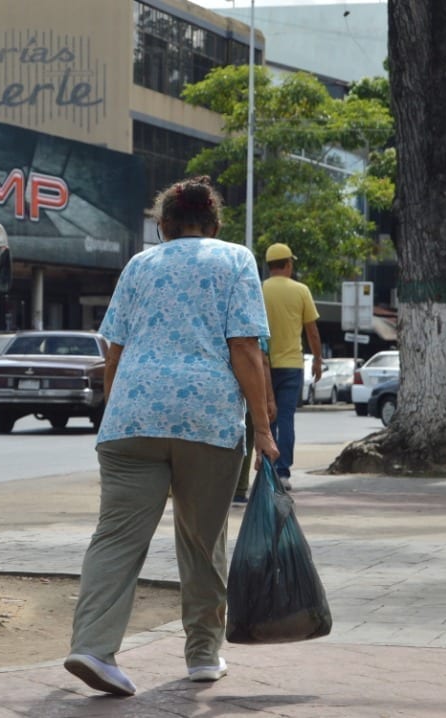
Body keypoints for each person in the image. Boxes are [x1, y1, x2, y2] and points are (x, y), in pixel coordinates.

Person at [65, 176, 278, 697]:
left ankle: (93, 646)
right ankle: (204, 655)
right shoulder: (235, 259)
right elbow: (245, 348)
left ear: (162, 225)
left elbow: (113, 350)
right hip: (206, 418)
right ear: (214, 223)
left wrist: (117, 411)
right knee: (203, 542)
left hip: (132, 418)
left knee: (114, 537)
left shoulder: (141, 264)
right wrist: (265, 428)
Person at [262, 242, 322, 488]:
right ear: (287, 265)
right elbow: (312, 331)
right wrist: (318, 359)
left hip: (263, 365)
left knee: (267, 419)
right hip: (291, 365)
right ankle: (283, 472)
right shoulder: (301, 291)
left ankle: (267, 472)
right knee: (286, 418)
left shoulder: (259, 289)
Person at [234, 337, 276, 503]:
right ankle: (239, 488)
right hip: (245, 396)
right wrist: (269, 399)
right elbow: (261, 362)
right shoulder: (253, 329)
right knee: (247, 440)